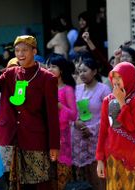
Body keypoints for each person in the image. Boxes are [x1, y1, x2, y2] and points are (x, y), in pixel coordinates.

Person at [0, 35, 60, 190]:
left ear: (34, 51)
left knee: (41, 184)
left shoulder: (47, 78)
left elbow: (52, 116)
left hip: (37, 141)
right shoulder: (11, 74)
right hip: (16, 140)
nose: (20, 54)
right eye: (17, 50)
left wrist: (54, 145)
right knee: (19, 184)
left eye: (25, 50)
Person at [96, 62, 135, 190]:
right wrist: (100, 159)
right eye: (114, 77)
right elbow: (103, 130)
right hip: (113, 156)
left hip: (133, 156)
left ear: (129, 78)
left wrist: (122, 102)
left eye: (120, 77)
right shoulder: (108, 100)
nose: (116, 81)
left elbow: (131, 126)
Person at [72, 58, 110, 189]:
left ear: (94, 72)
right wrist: (75, 121)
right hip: (79, 139)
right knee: (82, 177)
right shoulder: (77, 89)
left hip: (97, 139)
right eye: (80, 71)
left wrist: (92, 129)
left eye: (85, 70)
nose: (81, 74)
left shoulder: (104, 90)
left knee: (98, 177)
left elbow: (108, 116)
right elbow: (72, 112)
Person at [47, 53, 77, 190]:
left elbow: (73, 115)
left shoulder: (67, 89)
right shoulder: (45, 89)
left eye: (54, 66)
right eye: (48, 66)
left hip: (62, 139)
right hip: (46, 136)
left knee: (62, 177)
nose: (50, 69)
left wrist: (59, 105)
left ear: (62, 70)